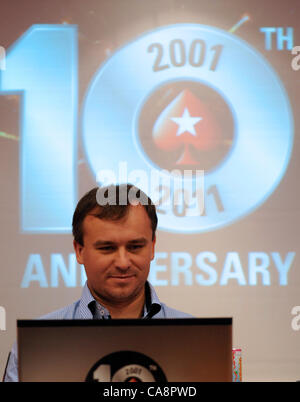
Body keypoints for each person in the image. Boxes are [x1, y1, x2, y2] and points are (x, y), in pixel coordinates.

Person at [4, 184, 191, 381]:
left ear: (152, 247)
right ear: (79, 251)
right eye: (107, 248)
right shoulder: (36, 347)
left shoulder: (197, 340)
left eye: (135, 246)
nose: (122, 262)